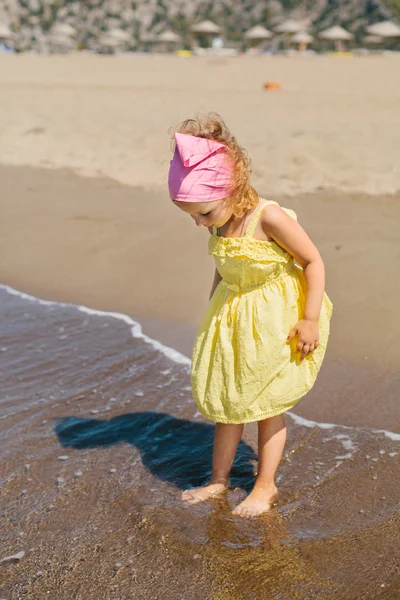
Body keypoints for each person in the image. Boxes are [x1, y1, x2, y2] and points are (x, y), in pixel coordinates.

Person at [168, 114, 333, 518]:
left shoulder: (268, 218)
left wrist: (309, 318)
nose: (198, 223)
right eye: (191, 215)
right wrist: (213, 311)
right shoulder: (219, 224)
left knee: (265, 405)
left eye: (203, 213)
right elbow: (223, 268)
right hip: (233, 317)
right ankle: (219, 481)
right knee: (229, 400)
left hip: (276, 319)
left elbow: (313, 261)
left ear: (232, 190)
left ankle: (265, 486)